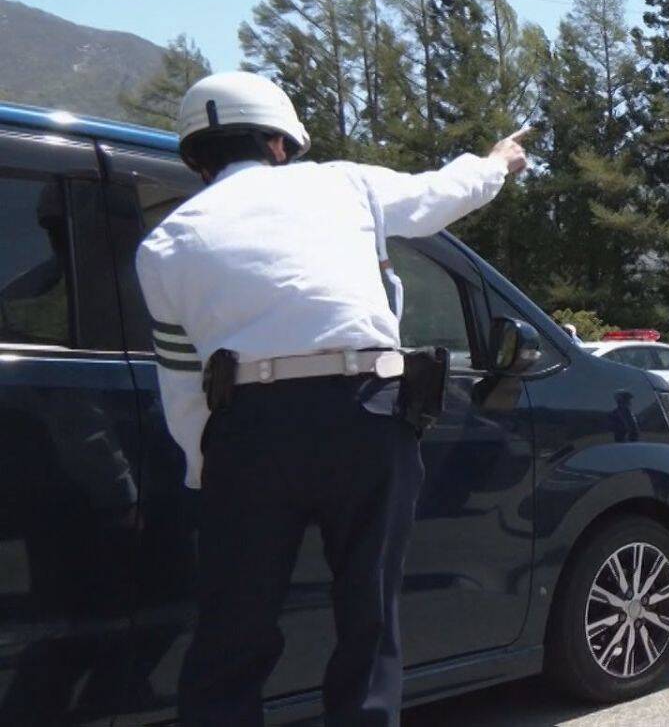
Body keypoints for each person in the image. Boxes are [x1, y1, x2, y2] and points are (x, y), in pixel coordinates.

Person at [135, 72, 528, 726]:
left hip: (247, 429)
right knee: (368, 622)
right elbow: (439, 195)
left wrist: (211, 471)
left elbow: (184, 385)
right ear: (279, 143)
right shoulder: (343, 184)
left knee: (232, 633)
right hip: (366, 411)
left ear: (198, 160)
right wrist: (495, 163)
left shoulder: (163, 246)